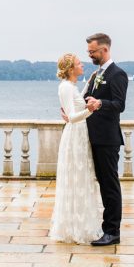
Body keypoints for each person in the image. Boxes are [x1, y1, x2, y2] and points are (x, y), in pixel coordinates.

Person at [49, 52, 103, 244]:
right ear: (71, 69)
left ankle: (80, 224)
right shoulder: (65, 87)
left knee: (81, 178)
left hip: (81, 134)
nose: (83, 65)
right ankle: (74, 227)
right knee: (75, 178)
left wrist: (89, 83)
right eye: (80, 64)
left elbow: (76, 103)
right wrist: (91, 110)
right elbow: (72, 116)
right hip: (74, 135)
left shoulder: (71, 87)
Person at [82, 33, 129, 246]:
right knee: (102, 184)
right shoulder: (95, 75)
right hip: (93, 137)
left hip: (107, 139)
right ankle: (105, 228)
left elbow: (119, 104)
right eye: (89, 52)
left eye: (93, 52)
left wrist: (100, 103)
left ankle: (112, 231)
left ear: (105, 50)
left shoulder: (118, 74)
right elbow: (87, 101)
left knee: (110, 185)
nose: (90, 55)